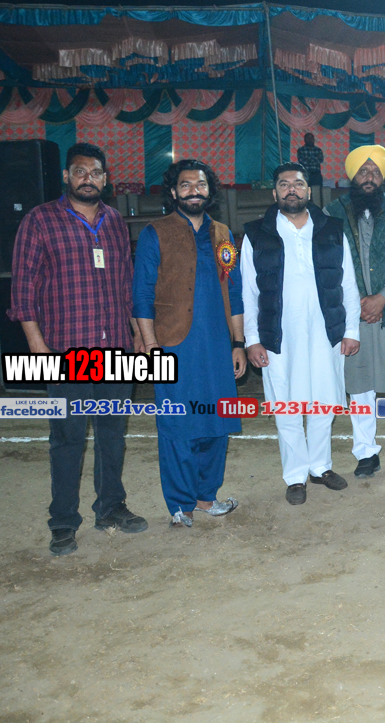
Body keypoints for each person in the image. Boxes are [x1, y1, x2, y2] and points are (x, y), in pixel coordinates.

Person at [9, 143, 148, 555]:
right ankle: (64, 522)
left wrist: (137, 334)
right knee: (68, 438)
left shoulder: (114, 221)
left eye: (96, 172)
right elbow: (22, 288)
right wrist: (37, 344)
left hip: (115, 348)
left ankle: (111, 507)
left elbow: (126, 283)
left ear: (106, 179)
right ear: (67, 177)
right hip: (65, 350)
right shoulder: (39, 220)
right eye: (81, 171)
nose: (89, 178)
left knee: (112, 434)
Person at [241, 162, 361, 505]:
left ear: (309, 190)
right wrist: (252, 339)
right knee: (287, 406)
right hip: (278, 337)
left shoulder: (332, 229)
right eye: (284, 184)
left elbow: (348, 283)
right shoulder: (255, 233)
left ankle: (320, 467)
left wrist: (351, 329)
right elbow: (248, 291)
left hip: (326, 332)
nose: (291, 189)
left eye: (297, 183)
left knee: (323, 402)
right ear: (274, 192)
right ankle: (295, 476)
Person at [133, 159, 243, 527]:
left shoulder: (224, 235)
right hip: (173, 345)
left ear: (210, 191)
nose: (194, 190)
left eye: (200, 184)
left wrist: (238, 342)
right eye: (185, 185)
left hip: (217, 345)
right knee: (178, 424)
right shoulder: (155, 232)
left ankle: (206, 497)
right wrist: (150, 344)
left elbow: (235, 292)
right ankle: (180, 505)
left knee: (217, 421)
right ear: (173, 192)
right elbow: (141, 294)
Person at [325, 145, 385, 479]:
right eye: (363, 172)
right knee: (360, 385)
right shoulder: (332, 213)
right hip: (352, 317)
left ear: (384, 177)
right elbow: (328, 266)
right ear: (352, 176)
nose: (369, 177)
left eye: (375, 172)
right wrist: (359, 303)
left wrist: (381, 298)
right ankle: (366, 453)